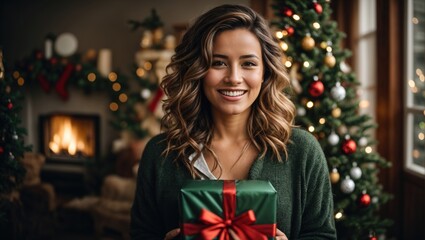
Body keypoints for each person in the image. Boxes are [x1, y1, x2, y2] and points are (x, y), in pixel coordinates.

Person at [131, 4, 336, 240]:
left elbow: (322, 235)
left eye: (248, 63)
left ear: (265, 72)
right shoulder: (160, 153)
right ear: (197, 69)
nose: (234, 78)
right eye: (218, 62)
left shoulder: (303, 151)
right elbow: (141, 233)